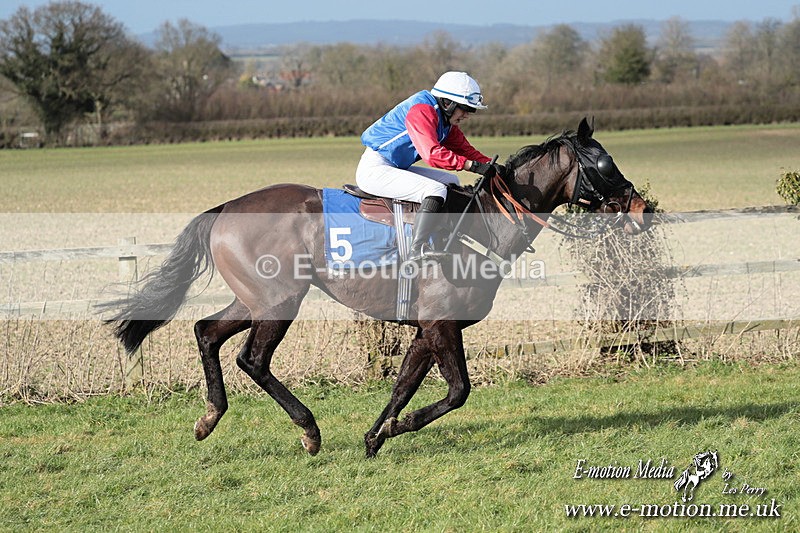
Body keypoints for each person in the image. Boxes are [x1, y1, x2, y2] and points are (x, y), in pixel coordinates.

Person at [357, 71, 498, 262]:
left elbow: (465, 150)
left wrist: (492, 166)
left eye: (470, 110)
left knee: (450, 181)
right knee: (435, 189)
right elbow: (431, 154)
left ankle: (443, 235)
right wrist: (471, 166)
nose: (467, 115)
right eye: (465, 108)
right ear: (447, 103)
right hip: (374, 169)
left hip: (394, 167)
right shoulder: (422, 110)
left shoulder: (445, 121)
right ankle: (417, 249)